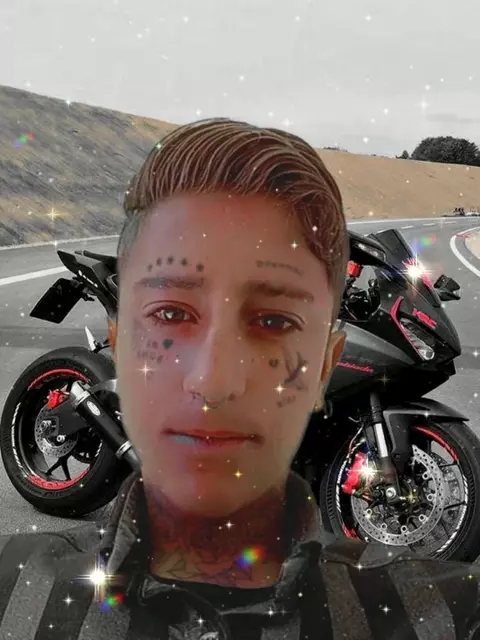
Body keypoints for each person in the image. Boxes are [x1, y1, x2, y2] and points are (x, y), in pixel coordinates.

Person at [0, 118, 480, 640]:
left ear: (325, 363)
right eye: (171, 314)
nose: (213, 379)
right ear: (119, 342)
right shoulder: (14, 593)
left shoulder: (447, 615)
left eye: (273, 322)